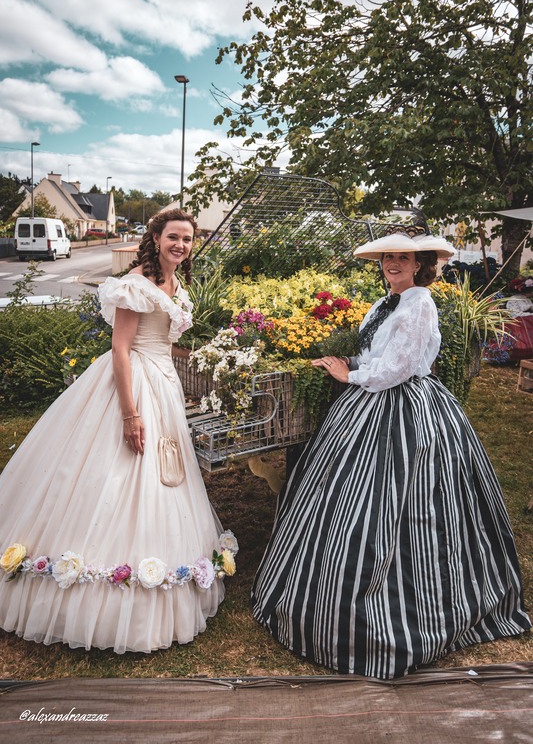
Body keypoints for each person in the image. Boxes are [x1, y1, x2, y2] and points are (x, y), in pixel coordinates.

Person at [252, 226, 531, 679]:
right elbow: (374, 356)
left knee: (403, 500)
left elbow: (400, 367)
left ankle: (405, 602)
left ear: (421, 264)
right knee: (340, 496)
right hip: (366, 404)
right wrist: (342, 363)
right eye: (387, 258)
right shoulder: (384, 303)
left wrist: (350, 377)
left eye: (403, 258)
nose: (393, 265)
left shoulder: (420, 301)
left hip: (407, 407)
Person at [0, 208, 235, 654]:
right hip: (133, 387)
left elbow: (163, 341)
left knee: (165, 475)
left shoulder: (174, 282)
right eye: (173, 237)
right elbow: (121, 351)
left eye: (187, 239)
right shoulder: (136, 283)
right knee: (119, 469)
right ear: (157, 238)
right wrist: (131, 414)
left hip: (164, 385)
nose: (181, 245)